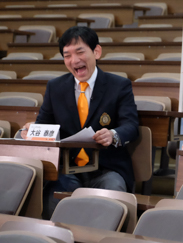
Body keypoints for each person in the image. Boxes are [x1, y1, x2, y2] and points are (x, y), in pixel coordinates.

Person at [23, 26, 139, 217]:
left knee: (113, 190)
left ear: (96, 52)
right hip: (68, 169)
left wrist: (113, 134)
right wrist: (34, 130)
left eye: (79, 52)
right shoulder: (55, 87)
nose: (74, 60)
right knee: (51, 197)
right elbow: (45, 125)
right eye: (67, 55)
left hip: (106, 168)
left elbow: (131, 125)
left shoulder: (119, 86)